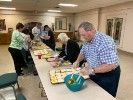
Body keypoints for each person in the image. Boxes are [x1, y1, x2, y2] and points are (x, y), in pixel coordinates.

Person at [73, 21, 121, 97]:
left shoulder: (105, 41)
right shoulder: (87, 39)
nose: (82, 37)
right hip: (94, 70)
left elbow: (110, 65)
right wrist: (77, 61)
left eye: (83, 35)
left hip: (108, 73)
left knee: (106, 95)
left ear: (91, 30)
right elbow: (83, 51)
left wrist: (91, 70)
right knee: (95, 93)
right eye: (81, 35)